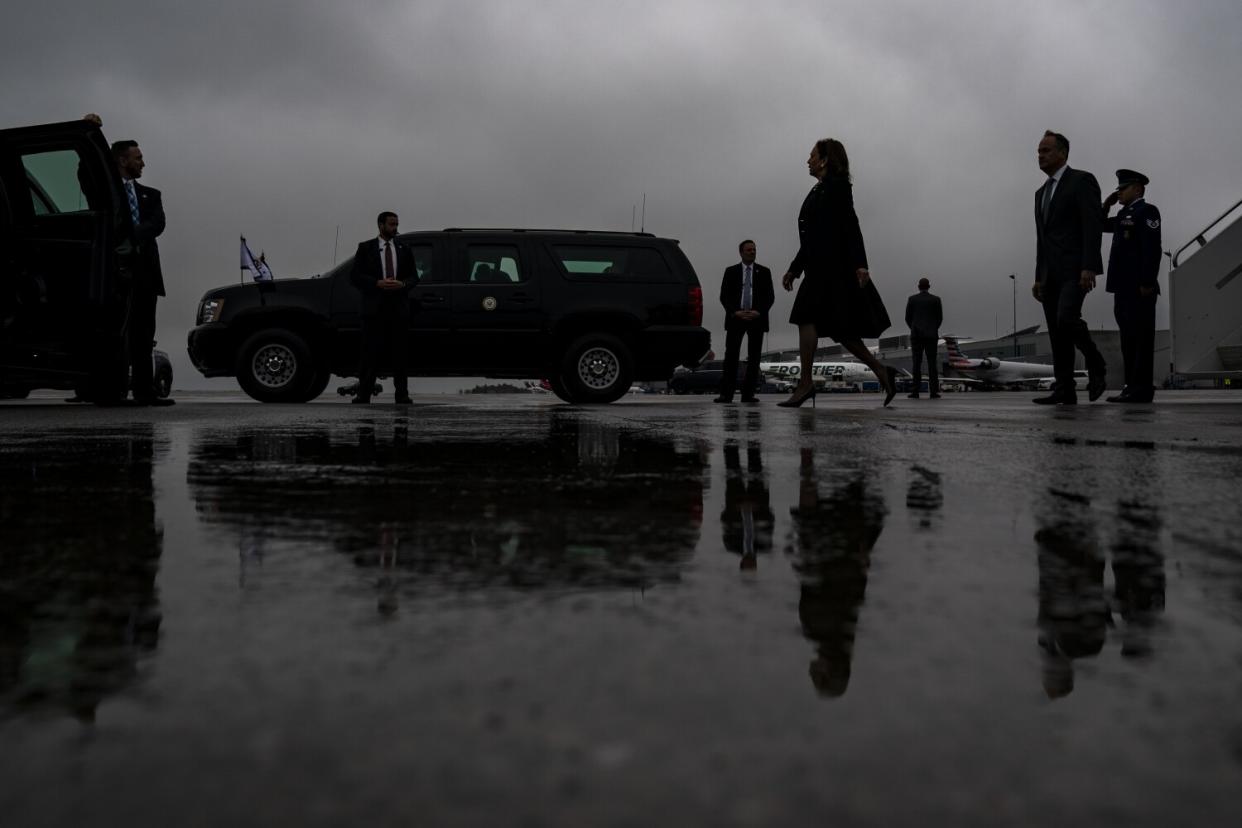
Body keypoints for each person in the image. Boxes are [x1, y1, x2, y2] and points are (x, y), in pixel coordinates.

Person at [779, 138, 896, 408]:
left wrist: (861, 264)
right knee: (841, 330)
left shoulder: (838, 187)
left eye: (811, 155)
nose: (807, 160)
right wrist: (795, 268)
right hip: (819, 267)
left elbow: (851, 225)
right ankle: (881, 371)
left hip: (832, 269)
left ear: (824, 160)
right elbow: (812, 238)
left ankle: (805, 384)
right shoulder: (818, 189)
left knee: (805, 316)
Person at [95, 121, 174, 406]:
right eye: (138, 157)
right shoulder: (106, 192)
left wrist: (130, 233)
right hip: (112, 274)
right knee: (115, 333)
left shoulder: (151, 195)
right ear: (122, 160)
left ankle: (144, 391)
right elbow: (85, 173)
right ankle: (111, 391)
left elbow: (158, 224)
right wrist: (89, 129)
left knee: (144, 334)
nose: (143, 162)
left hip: (144, 274)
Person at [1032, 130, 1107, 405]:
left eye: (1046, 151)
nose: (1040, 156)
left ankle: (1096, 362)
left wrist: (1089, 266)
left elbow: (1092, 224)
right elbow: (1042, 238)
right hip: (1049, 273)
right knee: (1056, 331)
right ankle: (1064, 388)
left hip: (1075, 269)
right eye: (1038, 151)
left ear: (1062, 153)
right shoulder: (1040, 193)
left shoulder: (1081, 181)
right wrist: (1038, 276)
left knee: (1067, 318)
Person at [1102, 169, 1161, 403]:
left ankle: (1143, 388)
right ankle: (1130, 387)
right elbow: (1097, 224)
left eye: (1123, 188)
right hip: (1122, 288)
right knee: (1128, 339)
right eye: (1118, 189)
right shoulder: (1123, 214)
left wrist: (1147, 281)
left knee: (1141, 339)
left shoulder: (1147, 211)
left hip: (1139, 287)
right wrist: (1106, 205)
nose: (1119, 193)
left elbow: (1152, 248)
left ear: (1138, 189)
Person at [350, 211, 417, 404]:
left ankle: (402, 395)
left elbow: (414, 277)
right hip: (373, 310)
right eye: (392, 224)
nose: (395, 228)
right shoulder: (366, 248)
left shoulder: (404, 248)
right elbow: (355, 276)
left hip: (399, 309)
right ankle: (363, 395)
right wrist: (376, 283)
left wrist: (402, 284)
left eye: (397, 224)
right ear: (381, 225)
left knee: (400, 355)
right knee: (369, 354)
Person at [715, 239, 775, 403]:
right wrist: (736, 312)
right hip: (736, 318)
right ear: (741, 252)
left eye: (754, 250)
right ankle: (726, 394)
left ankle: (748, 395)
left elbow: (770, 296)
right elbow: (724, 296)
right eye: (748, 250)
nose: (752, 252)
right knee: (731, 356)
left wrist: (758, 312)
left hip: (757, 319)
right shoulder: (731, 271)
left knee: (754, 358)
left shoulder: (764, 272)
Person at [904, 277, 942, 398]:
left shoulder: (912, 299)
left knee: (916, 363)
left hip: (917, 335)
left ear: (919, 287)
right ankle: (934, 391)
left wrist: (914, 328)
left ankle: (915, 391)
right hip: (931, 335)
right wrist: (933, 329)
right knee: (932, 364)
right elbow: (939, 318)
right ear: (929, 287)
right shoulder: (936, 300)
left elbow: (907, 318)